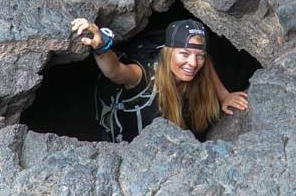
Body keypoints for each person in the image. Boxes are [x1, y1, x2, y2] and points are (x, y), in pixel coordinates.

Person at [70, 17, 249, 142]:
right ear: (168, 53)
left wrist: (225, 95)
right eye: (184, 54)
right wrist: (100, 47)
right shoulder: (143, 75)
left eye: (199, 55)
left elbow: (207, 68)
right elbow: (115, 71)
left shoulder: (200, 66)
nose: (193, 63)